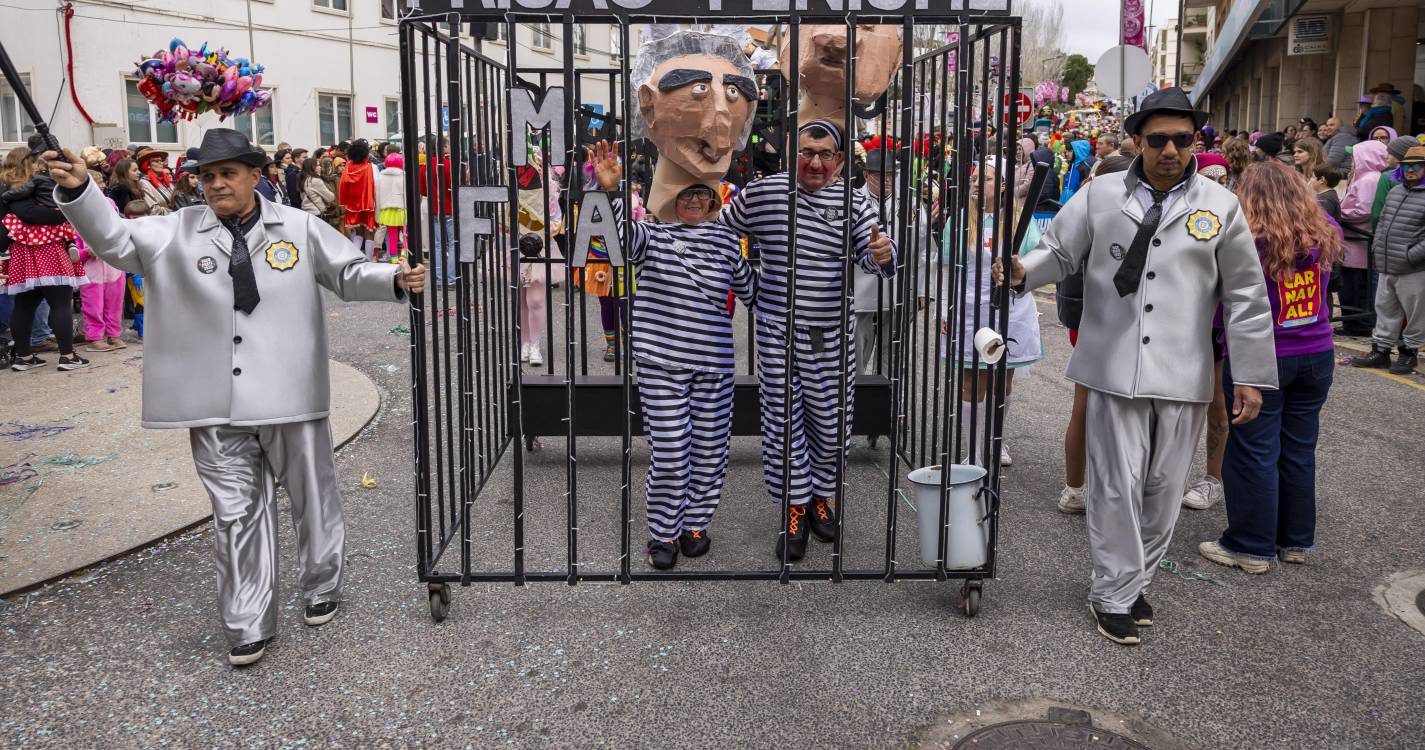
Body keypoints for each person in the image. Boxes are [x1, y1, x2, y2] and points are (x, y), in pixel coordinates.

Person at [46, 129, 426, 667]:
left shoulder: (297, 226)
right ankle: (247, 620)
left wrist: (395, 277)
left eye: (228, 173)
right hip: (213, 401)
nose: (217, 184)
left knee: (313, 499)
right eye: (207, 176)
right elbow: (114, 241)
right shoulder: (173, 231)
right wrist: (83, 190)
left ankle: (321, 585)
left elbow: (345, 272)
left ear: (254, 175)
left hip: (290, 391)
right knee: (235, 512)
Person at [997, 87, 1277, 645]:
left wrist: (1249, 374)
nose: (1170, 149)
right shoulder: (1100, 194)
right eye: (1158, 139)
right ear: (1137, 141)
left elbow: (1246, 295)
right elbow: (1059, 252)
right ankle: (1112, 593)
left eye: (1182, 138)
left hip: (1184, 371)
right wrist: (1023, 269)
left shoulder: (1220, 206)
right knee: (1114, 487)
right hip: (1111, 365)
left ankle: (1131, 579)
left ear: (1194, 140)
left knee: (1162, 490)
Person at [719, 120, 895, 561]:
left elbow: (872, 253)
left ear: (839, 161)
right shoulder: (763, 194)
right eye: (806, 152)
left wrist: (883, 255)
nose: (815, 162)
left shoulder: (855, 202)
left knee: (830, 421)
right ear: (792, 154)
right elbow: (719, 231)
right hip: (778, 332)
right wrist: (750, 289)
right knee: (782, 423)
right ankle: (794, 509)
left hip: (831, 334)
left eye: (825, 155)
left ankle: (822, 497)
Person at [590, 141, 757, 569]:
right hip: (661, 363)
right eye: (686, 194)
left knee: (709, 448)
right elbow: (616, 241)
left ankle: (695, 524)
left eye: (702, 193)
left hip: (713, 365)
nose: (695, 200)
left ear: (714, 199)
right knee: (670, 451)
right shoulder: (652, 235)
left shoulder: (725, 241)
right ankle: (663, 532)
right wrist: (609, 192)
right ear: (670, 198)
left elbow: (756, 293)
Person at [1198, 161, 1343, 574]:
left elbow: (1225, 301)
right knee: (1298, 450)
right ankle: (1294, 540)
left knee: (1252, 451)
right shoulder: (1324, 227)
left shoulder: (1247, 237)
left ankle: (1250, 545)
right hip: (1317, 351)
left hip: (1262, 356)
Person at [2, 146, 89, 371]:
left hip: (21, 252)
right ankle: (68, 357)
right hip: (48, 247)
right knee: (60, 303)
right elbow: (33, 214)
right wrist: (63, 214)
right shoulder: (27, 186)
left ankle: (24, 357)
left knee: (24, 305)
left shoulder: (12, 188)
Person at [856, 147, 934, 376]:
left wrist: (923, 288)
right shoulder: (852, 201)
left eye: (891, 175)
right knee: (858, 352)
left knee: (891, 355)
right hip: (861, 291)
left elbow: (925, 247)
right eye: (881, 176)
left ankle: (887, 404)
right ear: (866, 175)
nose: (888, 180)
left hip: (899, 288)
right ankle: (856, 403)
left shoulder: (910, 205)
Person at [1349, 146, 1425, 374]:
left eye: (1416, 166)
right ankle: (1380, 352)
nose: (1410, 170)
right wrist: (1379, 248)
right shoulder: (1396, 191)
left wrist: (1411, 255)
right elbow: (1381, 221)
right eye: (1406, 166)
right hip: (1386, 262)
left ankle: (1409, 354)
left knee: (1415, 313)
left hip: (1413, 267)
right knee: (1384, 308)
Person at [1337, 140, 1389, 337]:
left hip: (1359, 242)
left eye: (1355, 155)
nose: (1352, 160)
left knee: (1356, 286)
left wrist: (1340, 214)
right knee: (1351, 286)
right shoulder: (1365, 177)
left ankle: (1359, 324)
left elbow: (1364, 210)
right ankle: (1353, 322)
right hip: (1354, 242)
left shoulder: (1369, 179)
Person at [76, 169, 127, 353]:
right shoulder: (77, 211)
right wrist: (87, 252)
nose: (103, 185)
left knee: (115, 302)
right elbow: (74, 249)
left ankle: (114, 334)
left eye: (102, 182)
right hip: (92, 269)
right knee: (93, 304)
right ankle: (94, 337)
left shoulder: (110, 203)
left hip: (113, 264)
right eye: (97, 182)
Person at [418, 136, 456, 287]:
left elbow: (423, 190)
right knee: (453, 244)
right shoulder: (448, 164)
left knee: (438, 245)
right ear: (444, 147)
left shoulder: (425, 166)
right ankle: (451, 278)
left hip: (434, 209)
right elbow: (455, 187)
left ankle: (440, 279)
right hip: (449, 208)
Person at [338, 139, 377, 255]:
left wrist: (343, 202)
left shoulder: (348, 167)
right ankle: (368, 261)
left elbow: (342, 185)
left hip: (351, 205)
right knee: (369, 234)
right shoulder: (371, 167)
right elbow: (377, 186)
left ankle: (354, 257)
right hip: (367, 204)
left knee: (358, 233)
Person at [375, 152, 407, 264]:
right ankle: (404, 257)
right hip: (402, 209)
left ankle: (393, 260)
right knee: (405, 235)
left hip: (387, 210)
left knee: (392, 237)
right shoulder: (403, 175)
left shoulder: (380, 177)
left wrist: (377, 214)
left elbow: (377, 196)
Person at [133, 147, 174, 216]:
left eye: (161, 161)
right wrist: (175, 213)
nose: (161, 163)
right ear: (148, 165)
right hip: (162, 221)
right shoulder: (144, 183)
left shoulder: (166, 180)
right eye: (156, 161)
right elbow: (153, 210)